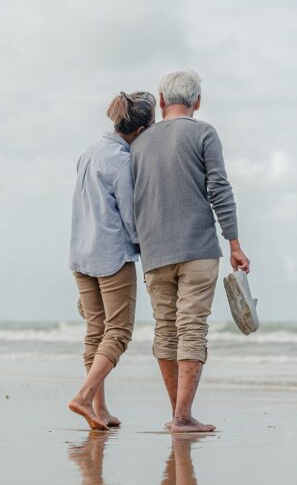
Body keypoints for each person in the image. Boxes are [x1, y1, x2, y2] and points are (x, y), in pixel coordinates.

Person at [132, 69, 250, 433]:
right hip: (198, 248)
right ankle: (182, 416)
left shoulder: (138, 143)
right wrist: (234, 243)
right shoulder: (203, 133)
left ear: (162, 100)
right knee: (192, 329)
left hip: (154, 252)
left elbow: (130, 198)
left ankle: (178, 414)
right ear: (197, 101)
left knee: (166, 330)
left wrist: (139, 243)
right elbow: (219, 189)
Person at [67, 91, 156, 430]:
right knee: (117, 333)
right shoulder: (121, 160)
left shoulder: (90, 152)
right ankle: (84, 396)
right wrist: (146, 250)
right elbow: (130, 216)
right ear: (143, 129)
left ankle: (98, 410)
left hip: (80, 253)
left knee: (96, 332)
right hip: (110, 254)